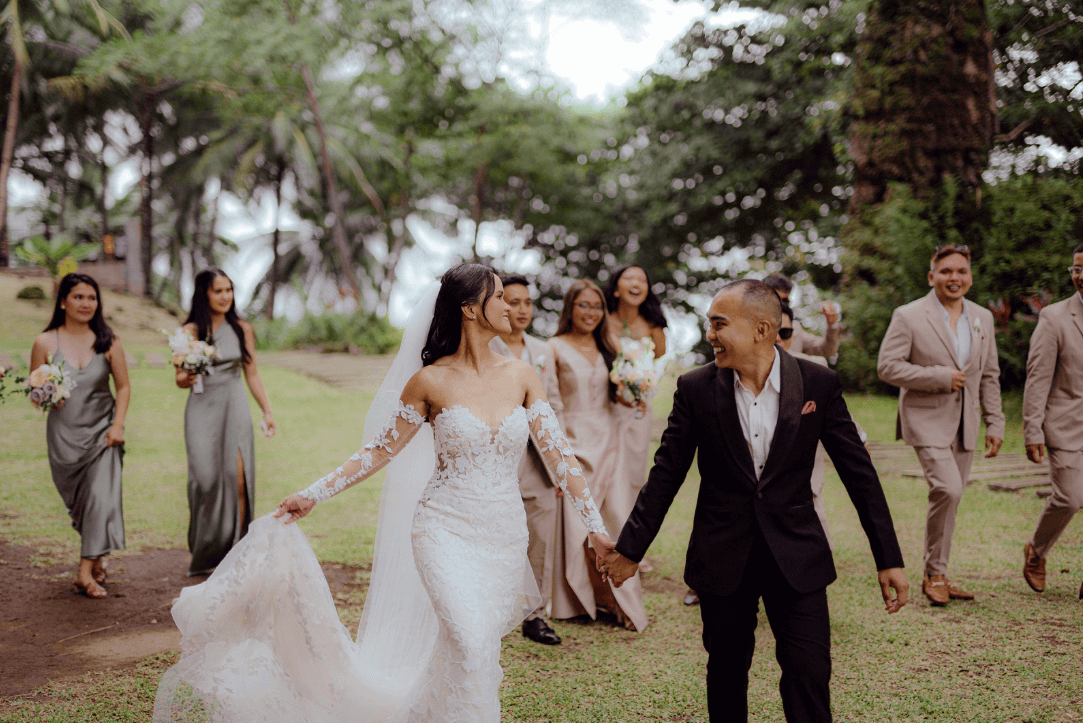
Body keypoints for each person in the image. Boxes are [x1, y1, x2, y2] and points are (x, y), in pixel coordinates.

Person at [154, 263, 613, 723]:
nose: (512, 307)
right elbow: (378, 452)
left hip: (504, 537)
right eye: (500, 298)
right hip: (444, 531)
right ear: (471, 310)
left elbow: (561, 459)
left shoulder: (522, 376)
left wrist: (595, 529)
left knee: (473, 654)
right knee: (471, 644)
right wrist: (312, 494)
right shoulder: (429, 381)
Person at [600, 279, 907, 723]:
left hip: (798, 558)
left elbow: (860, 475)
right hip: (722, 556)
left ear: (762, 329)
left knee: (809, 673)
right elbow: (666, 473)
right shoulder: (696, 389)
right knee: (726, 673)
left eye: (719, 324)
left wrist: (888, 558)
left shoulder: (819, 383)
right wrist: (630, 549)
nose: (710, 335)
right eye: (709, 324)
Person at [877, 244, 1004, 605]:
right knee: (948, 489)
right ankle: (934, 574)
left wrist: (995, 423)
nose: (954, 278)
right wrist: (938, 376)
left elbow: (989, 374)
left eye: (961, 271)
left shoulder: (983, 317)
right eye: (946, 271)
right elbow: (887, 366)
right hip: (925, 419)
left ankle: (939, 573)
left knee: (952, 496)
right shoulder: (908, 315)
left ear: (970, 277)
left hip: (967, 422)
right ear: (931, 277)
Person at [549, 279, 648, 632]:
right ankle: (574, 599)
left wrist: (634, 391)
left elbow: (618, 395)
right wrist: (558, 456)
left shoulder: (611, 346)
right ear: (569, 308)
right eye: (583, 305)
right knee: (577, 523)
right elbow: (551, 404)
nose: (590, 313)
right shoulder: (553, 347)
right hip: (573, 442)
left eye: (596, 306)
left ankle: (616, 600)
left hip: (610, 440)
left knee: (616, 517)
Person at [29, 273, 130, 599]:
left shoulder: (109, 341)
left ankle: (84, 572)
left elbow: (124, 387)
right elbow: (34, 393)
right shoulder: (45, 342)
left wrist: (118, 424)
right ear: (62, 301)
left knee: (102, 497)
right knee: (84, 505)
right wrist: (46, 396)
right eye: (78, 297)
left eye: (92, 297)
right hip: (65, 438)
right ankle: (97, 558)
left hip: (104, 432)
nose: (86, 303)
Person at [175, 268, 276, 576]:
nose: (225, 297)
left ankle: (238, 551)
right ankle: (205, 548)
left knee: (239, 479)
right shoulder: (189, 330)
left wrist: (267, 411)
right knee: (205, 481)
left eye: (229, 290)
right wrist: (187, 375)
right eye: (218, 291)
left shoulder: (242, 328)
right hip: (201, 408)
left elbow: (252, 373)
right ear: (204, 293)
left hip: (235, 406)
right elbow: (179, 379)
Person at [489, 273, 564, 645]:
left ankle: (535, 616)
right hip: (495, 456)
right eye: (512, 301)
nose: (520, 309)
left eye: (527, 303)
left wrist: (561, 464)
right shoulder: (484, 347)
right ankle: (491, 612)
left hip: (540, 461)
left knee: (542, 535)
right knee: (495, 535)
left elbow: (555, 406)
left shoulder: (543, 350)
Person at [1021, 243, 1083, 597]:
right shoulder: (1055, 318)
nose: (1081, 276)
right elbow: (1038, 378)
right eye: (1076, 269)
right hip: (1065, 427)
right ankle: (1037, 551)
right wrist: (1032, 430)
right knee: (1070, 498)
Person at [603, 264, 668, 574]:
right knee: (605, 472)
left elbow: (658, 357)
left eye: (642, 278)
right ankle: (601, 539)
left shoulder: (654, 324)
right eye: (628, 278)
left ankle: (631, 545)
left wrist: (639, 380)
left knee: (632, 474)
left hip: (638, 409)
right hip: (605, 407)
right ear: (616, 288)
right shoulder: (603, 320)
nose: (636, 282)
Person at [763, 273, 841, 358]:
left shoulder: (795, 329)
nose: (781, 305)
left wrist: (832, 324)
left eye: (785, 301)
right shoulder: (750, 327)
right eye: (777, 299)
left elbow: (825, 350)